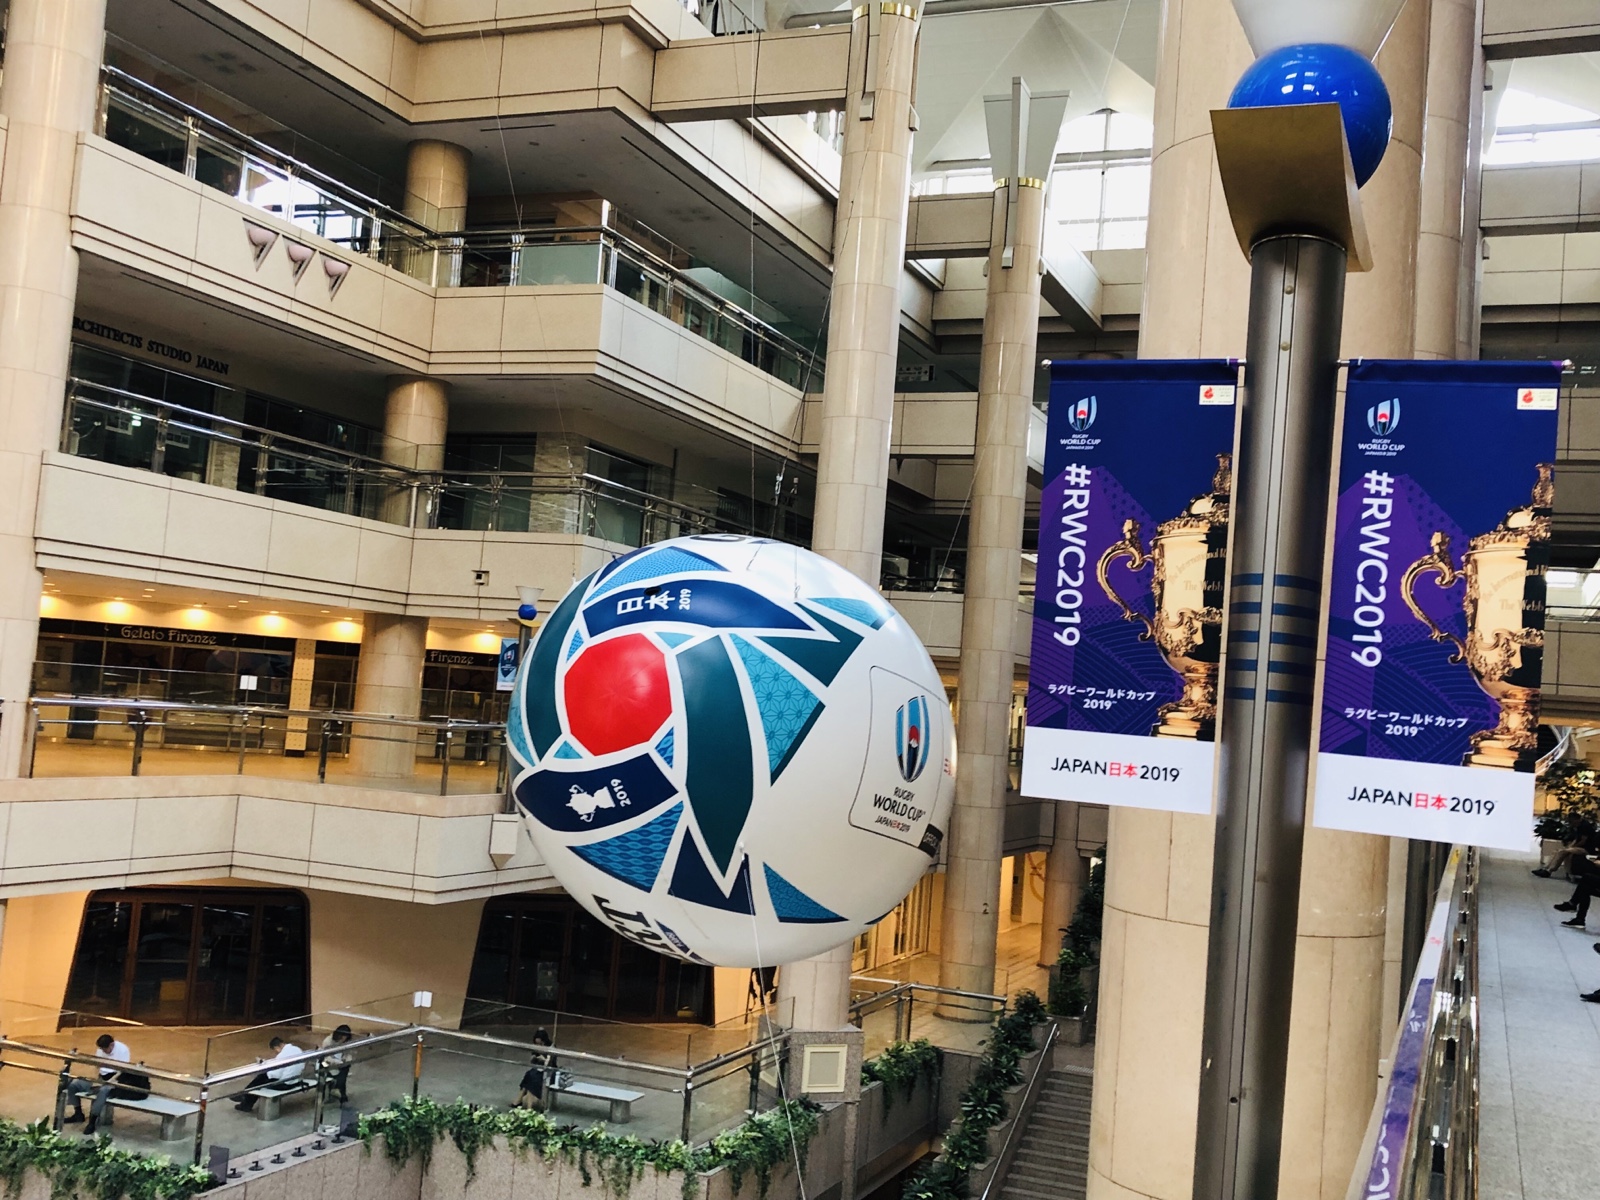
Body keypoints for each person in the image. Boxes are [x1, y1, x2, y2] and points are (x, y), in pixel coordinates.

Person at [63, 1034, 135, 1135]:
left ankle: (92, 1120)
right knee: (74, 1085)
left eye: (105, 1049)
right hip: (101, 1077)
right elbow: (97, 1066)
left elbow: (122, 1071)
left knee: (103, 1092)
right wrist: (94, 1080)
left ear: (111, 1045)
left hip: (115, 1079)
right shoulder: (101, 1050)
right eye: (102, 1049)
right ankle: (78, 1113)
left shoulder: (123, 1050)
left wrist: (109, 1082)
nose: (103, 1051)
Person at [234, 1036, 305, 1112]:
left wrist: (265, 1070)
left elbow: (275, 1074)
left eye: (275, 1050)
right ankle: (245, 1097)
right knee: (260, 1080)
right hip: (295, 1080)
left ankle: (245, 1098)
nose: (276, 1052)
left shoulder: (282, 1055)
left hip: (286, 1084)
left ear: (276, 1047)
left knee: (260, 1080)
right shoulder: (297, 1049)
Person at [517, 1029, 554, 1110]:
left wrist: (543, 1059)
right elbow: (532, 1061)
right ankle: (520, 1099)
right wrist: (534, 1058)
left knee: (532, 1080)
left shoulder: (551, 1048)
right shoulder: (536, 1047)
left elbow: (550, 1063)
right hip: (538, 1069)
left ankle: (528, 1106)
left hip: (548, 1072)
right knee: (529, 1075)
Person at [318, 1025, 354, 1104]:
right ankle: (337, 1092)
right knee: (323, 1065)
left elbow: (349, 1053)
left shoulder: (347, 1042)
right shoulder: (328, 1041)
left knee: (345, 1070)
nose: (343, 1039)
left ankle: (340, 1091)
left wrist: (346, 1060)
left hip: (340, 1063)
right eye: (342, 1037)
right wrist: (335, 1062)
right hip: (328, 1062)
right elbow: (326, 1057)